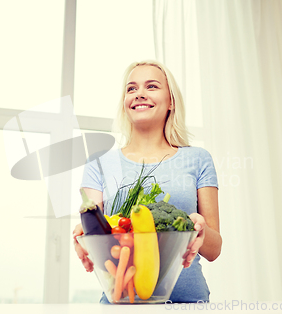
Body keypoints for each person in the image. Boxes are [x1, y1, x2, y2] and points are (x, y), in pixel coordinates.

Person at [72, 60, 222, 303]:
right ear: (125, 103)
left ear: (171, 101)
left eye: (151, 86)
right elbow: (94, 229)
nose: (139, 93)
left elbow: (214, 250)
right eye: (131, 89)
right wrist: (82, 237)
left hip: (188, 303)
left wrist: (201, 231)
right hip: (122, 301)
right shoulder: (98, 163)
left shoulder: (198, 159)